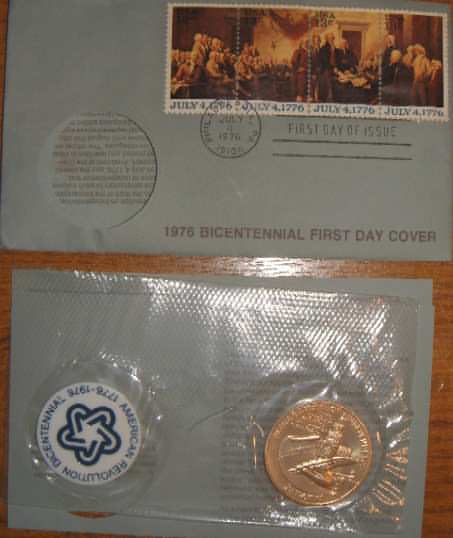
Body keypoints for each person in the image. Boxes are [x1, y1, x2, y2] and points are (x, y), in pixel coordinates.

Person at [319, 33, 336, 101]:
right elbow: (325, 60)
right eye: (330, 38)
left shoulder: (334, 47)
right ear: (327, 39)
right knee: (327, 83)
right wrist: (332, 67)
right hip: (326, 68)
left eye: (332, 38)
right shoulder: (324, 48)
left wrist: (336, 67)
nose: (331, 40)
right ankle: (328, 97)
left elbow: (336, 58)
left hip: (333, 68)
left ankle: (333, 97)